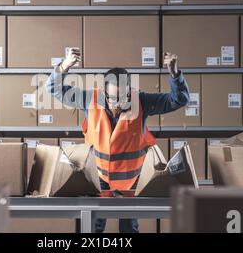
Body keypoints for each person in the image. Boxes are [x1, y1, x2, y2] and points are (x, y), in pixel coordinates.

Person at [46, 48, 190, 233]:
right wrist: (64, 66)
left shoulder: (142, 101)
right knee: (93, 227)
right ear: (104, 92)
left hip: (130, 179)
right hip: (97, 177)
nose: (117, 103)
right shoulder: (89, 98)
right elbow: (52, 88)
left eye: (123, 97)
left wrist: (175, 74)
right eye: (112, 97)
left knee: (129, 229)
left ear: (129, 91)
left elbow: (179, 99)